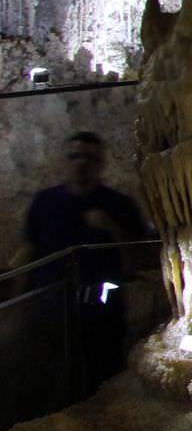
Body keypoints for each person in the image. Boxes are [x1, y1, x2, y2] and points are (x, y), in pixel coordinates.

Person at [10, 131, 152, 396]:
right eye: (74, 156)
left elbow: (139, 257)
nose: (81, 163)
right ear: (65, 161)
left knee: (101, 381)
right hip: (50, 310)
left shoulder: (119, 206)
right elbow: (29, 252)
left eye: (88, 157)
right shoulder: (45, 203)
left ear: (100, 163)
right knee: (47, 380)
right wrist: (18, 307)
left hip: (100, 310)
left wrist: (110, 227)